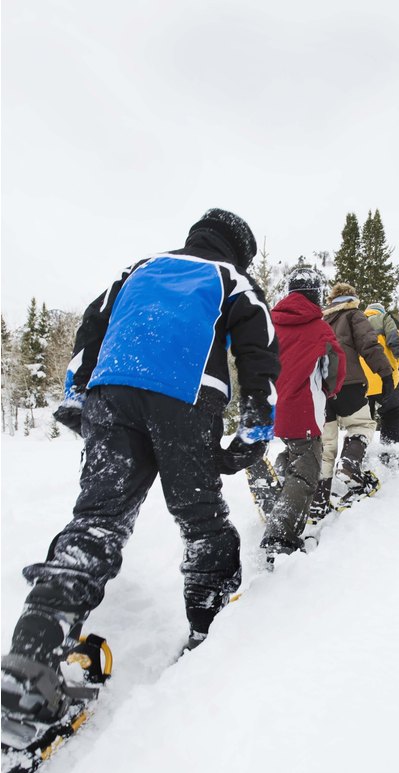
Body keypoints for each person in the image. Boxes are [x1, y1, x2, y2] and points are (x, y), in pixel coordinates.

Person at [1, 208, 280, 729]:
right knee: (200, 519)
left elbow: (93, 323)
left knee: (96, 522)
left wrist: (76, 394)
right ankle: (212, 634)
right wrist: (255, 430)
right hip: (185, 397)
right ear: (240, 249)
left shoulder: (142, 267)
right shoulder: (232, 277)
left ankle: (31, 665)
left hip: (113, 393)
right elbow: (259, 352)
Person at [252, 265, 346, 564]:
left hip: (275, 407)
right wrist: (328, 391)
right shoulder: (319, 328)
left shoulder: (271, 323)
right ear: (316, 294)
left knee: (294, 457)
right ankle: (280, 536)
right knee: (308, 470)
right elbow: (335, 369)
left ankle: (279, 488)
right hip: (304, 408)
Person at [308, 282, 393, 521]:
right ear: (352, 298)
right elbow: (369, 345)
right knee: (361, 426)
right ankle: (349, 464)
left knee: (326, 444)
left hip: (322, 391)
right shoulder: (354, 315)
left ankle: (318, 499)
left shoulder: (320, 322)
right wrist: (385, 375)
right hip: (350, 384)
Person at [362, 302, 399, 468]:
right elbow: (397, 341)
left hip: (359, 382)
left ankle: (360, 458)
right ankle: (389, 455)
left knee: (362, 422)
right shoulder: (385, 318)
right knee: (392, 414)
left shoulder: (356, 322)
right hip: (385, 378)